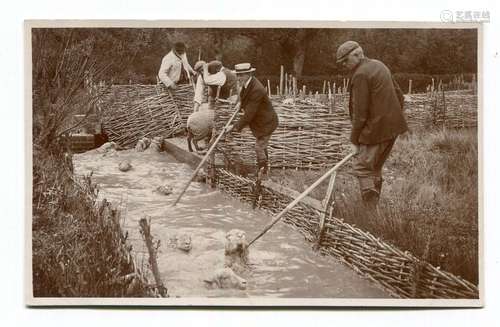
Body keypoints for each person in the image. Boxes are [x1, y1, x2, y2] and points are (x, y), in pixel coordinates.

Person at [336, 41, 407, 206]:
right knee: (374, 169)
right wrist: (392, 117)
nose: (345, 65)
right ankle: (374, 213)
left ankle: (369, 212)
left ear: (357, 55)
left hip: (375, 131)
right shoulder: (379, 64)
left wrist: (354, 141)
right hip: (393, 128)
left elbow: (360, 115)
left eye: (345, 61)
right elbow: (400, 95)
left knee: (362, 168)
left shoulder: (360, 74)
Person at [225, 63, 279, 176]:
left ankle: (262, 172)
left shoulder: (257, 89)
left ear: (249, 74)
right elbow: (244, 96)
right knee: (262, 146)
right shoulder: (248, 83)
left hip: (267, 122)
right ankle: (264, 169)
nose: (238, 78)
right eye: (237, 75)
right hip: (261, 121)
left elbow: (249, 115)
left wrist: (234, 127)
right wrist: (240, 103)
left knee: (258, 147)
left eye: (241, 75)